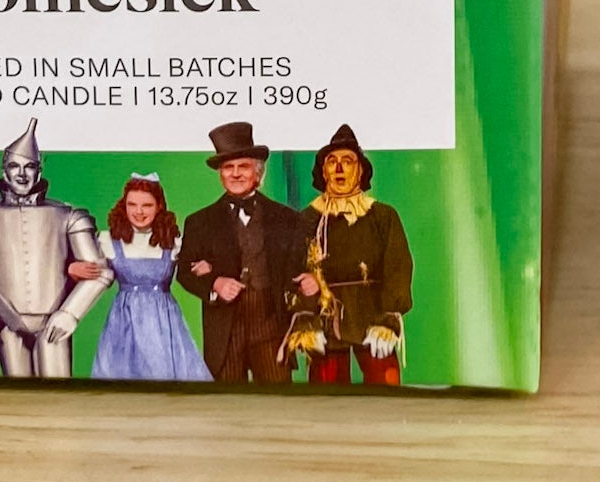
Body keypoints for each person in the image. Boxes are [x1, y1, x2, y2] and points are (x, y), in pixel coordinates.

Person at [0, 118, 110, 379]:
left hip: (54, 321)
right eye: (14, 166)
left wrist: (70, 313)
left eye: (29, 167)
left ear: (39, 171)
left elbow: (100, 271)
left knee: (57, 392)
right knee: (17, 392)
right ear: (4, 170)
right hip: (6, 321)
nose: (22, 174)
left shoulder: (69, 216)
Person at [177, 121, 312, 382]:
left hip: (271, 327)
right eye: (229, 167)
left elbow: (298, 268)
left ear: (258, 173)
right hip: (224, 330)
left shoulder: (287, 218)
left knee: (277, 398)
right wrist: (214, 282)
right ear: (221, 174)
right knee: (228, 401)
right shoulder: (199, 221)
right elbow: (184, 272)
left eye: (244, 166)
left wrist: (308, 282)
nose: (236, 174)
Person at [287, 124, 413, 386]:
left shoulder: (382, 216)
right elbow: (295, 272)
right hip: (325, 319)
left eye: (347, 161)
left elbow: (398, 268)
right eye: (332, 162)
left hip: (374, 316)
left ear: (360, 170)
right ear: (323, 171)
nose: (339, 168)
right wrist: (306, 319)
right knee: (325, 395)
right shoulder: (307, 219)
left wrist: (388, 320)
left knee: (386, 389)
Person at [79, 173, 210, 383]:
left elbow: (193, 267)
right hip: (123, 321)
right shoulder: (107, 240)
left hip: (164, 322)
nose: (138, 212)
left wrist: (206, 266)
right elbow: (91, 271)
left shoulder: (174, 242)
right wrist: (73, 267)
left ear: (159, 207)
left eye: (147, 205)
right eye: (132, 205)